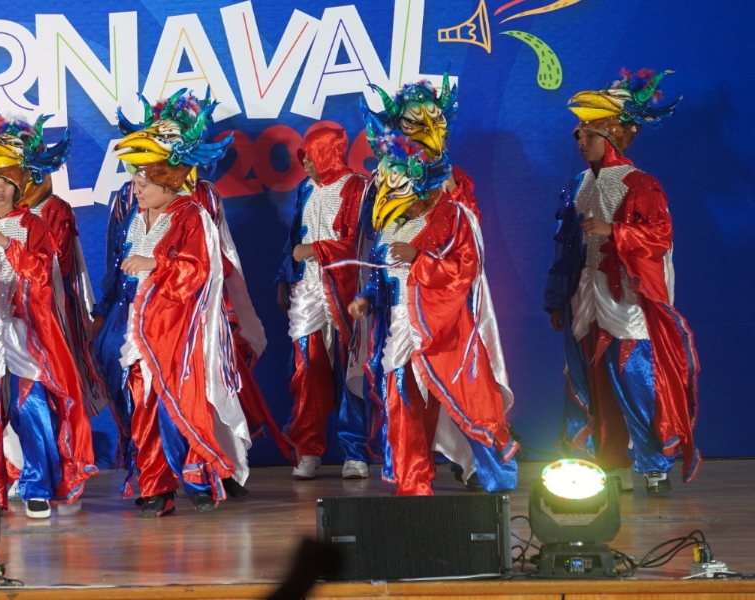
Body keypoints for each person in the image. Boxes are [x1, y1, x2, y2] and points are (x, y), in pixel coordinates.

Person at [94, 91, 288, 498]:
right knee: (139, 393)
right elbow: (118, 257)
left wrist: (227, 312)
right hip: (136, 315)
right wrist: (106, 308)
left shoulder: (199, 202)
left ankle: (214, 467)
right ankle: (152, 479)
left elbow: (217, 259)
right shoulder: (129, 200)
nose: (139, 181)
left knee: (202, 389)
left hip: (191, 312)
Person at [544, 69, 699, 494]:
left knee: (633, 373)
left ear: (610, 136)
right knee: (587, 375)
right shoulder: (576, 185)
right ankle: (601, 460)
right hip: (586, 292)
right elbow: (565, 247)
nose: (580, 143)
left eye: (588, 136)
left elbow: (659, 236)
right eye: (577, 136)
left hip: (626, 295)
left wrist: (614, 233)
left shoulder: (640, 183)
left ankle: (653, 463)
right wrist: (558, 300)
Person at [0, 115, 96, 518]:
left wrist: (10, 245)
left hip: (27, 333)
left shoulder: (35, 226)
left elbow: (45, 274)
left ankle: (37, 485)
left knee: (33, 407)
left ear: (19, 183)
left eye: (7, 181)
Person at [346, 128, 517, 496]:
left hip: (444, 331)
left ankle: (496, 477)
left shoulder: (453, 216)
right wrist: (366, 298)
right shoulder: (391, 223)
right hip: (397, 330)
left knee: (470, 405)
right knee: (403, 405)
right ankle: (414, 482)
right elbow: (382, 276)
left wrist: (420, 260)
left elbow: (464, 270)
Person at [274, 125, 375, 480]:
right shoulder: (305, 189)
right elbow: (295, 238)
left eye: (313, 158)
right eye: (304, 158)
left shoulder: (358, 188)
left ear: (330, 155)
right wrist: (285, 278)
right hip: (308, 292)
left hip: (346, 292)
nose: (307, 165)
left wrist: (314, 250)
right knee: (307, 372)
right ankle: (308, 450)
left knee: (350, 371)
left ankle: (354, 452)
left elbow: (360, 243)